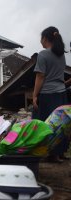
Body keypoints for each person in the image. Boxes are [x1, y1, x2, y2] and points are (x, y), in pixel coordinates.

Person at [32, 26, 68, 162]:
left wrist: (35, 95)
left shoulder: (43, 54)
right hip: (61, 94)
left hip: (47, 95)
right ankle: (59, 153)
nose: (40, 41)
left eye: (41, 38)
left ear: (45, 38)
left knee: (44, 124)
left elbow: (40, 76)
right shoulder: (61, 54)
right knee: (60, 124)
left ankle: (46, 152)